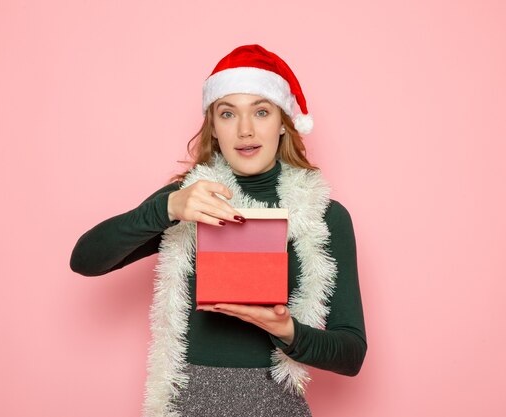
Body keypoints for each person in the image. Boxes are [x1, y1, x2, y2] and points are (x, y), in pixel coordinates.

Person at [70, 44, 366, 417]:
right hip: (187, 404)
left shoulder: (326, 217)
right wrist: (168, 208)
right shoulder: (189, 200)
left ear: (283, 123)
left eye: (261, 111)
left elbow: (352, 354)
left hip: (276, 407)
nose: (245, 130)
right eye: (228, 114)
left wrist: (287, 329)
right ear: (214, 126)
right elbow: (85, 260)